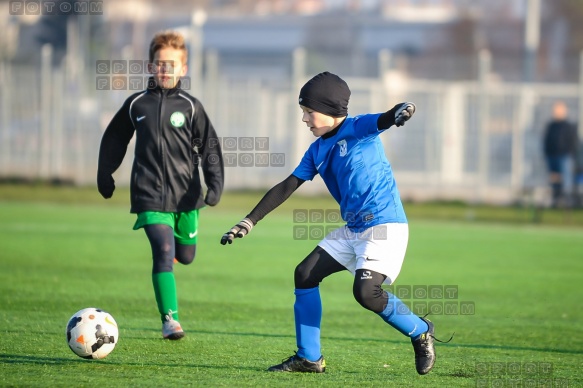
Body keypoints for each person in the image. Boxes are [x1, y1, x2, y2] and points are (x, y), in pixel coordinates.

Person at [221, 71, 449, 374]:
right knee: (304, 274)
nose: (304, 119)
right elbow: (287, 186)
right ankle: (309, 358)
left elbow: (383, 119)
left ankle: (420, 330)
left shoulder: (357, 128)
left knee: (367, 293)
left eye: (308, 111)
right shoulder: (316, 150)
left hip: (384, 226)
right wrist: (249, 221)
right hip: (353, 229)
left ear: (331, 111)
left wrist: (399, 112)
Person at [97, 31, 224, 340]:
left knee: (186, 255)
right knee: (163, 251)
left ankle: (172, 260)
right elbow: (115, 138)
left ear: (183, 68)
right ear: (150, 66)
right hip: (148, 195)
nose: (165, 69)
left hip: (186, 198)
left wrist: (214, 182)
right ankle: (171, 320)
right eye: (159, 64)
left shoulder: (191, 107)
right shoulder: (136, 104)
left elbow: (209, 146)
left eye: (172, 64)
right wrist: (105, 172)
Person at [543, 101, 579, 208]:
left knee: (566, 176)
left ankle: (567, 199)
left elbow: (573, 142)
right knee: (554, 179)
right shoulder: (551, 126)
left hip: (565, 157)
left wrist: (569, 154)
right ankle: (556, 199)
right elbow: (547, 141)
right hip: (552, 157)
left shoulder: (568, 126)